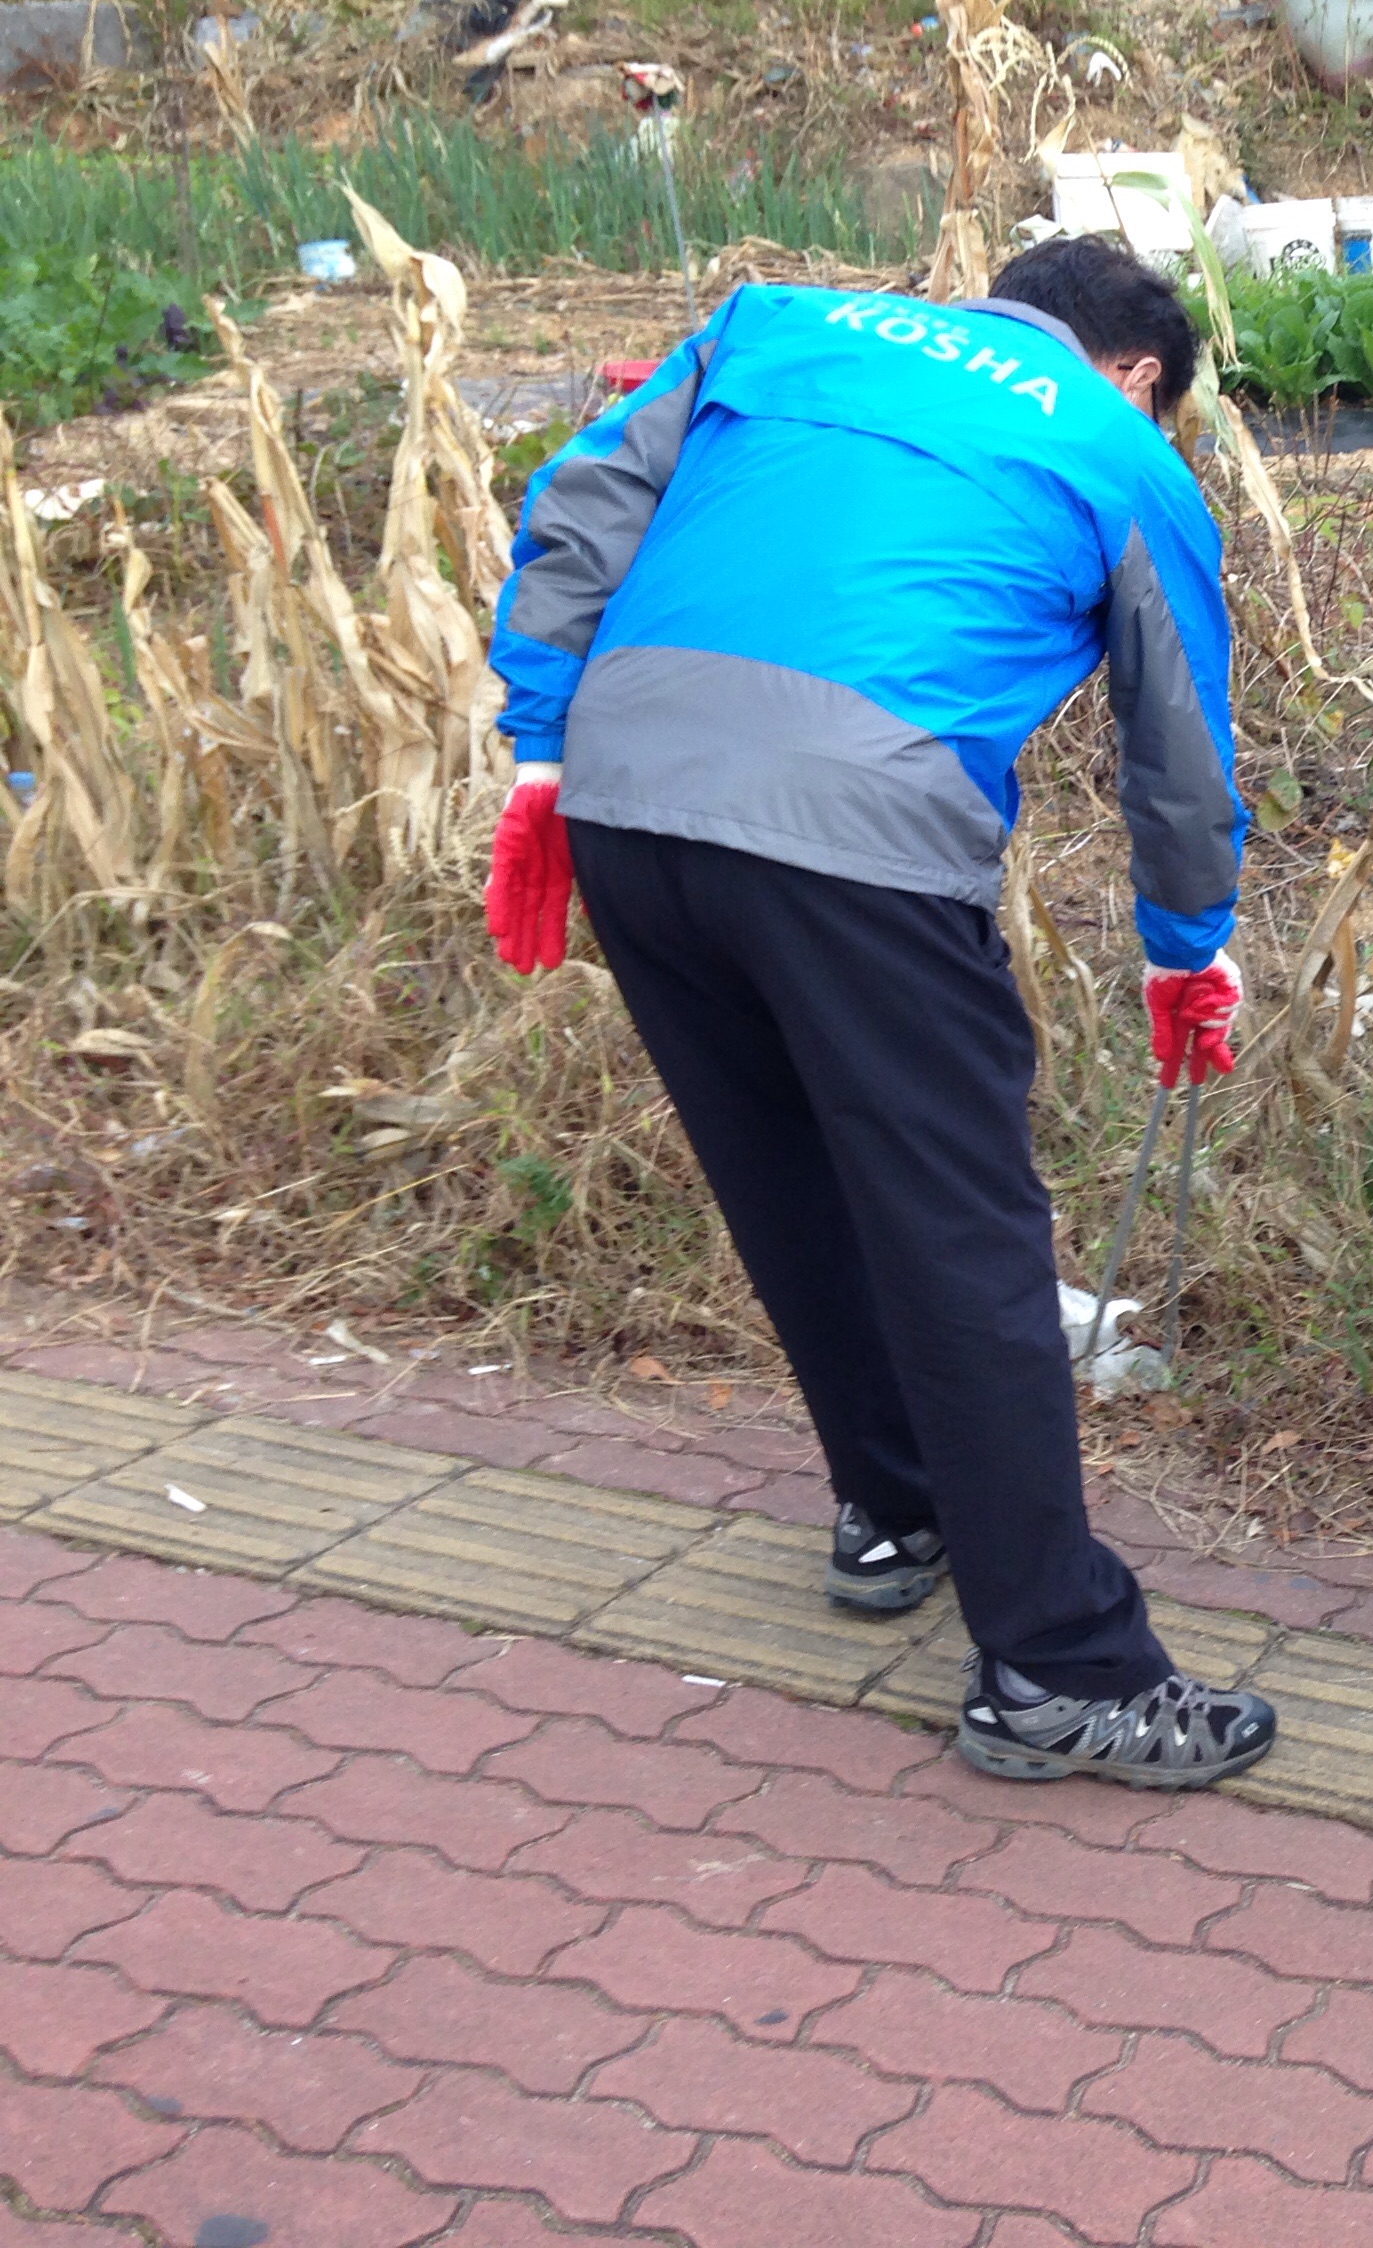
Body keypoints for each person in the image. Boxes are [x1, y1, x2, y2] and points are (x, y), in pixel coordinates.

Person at [481, 237, 1276, 1793]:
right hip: (856, 837)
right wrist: (1190, 946)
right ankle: (1057, 1667)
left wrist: (535, 739)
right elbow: (1176, 750)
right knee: (964, 1238)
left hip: (630, 801)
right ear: (1139, 377)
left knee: (787, 1178)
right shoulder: (1119, 448)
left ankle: (896, 1502)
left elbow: (579, 503)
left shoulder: (772, 326)